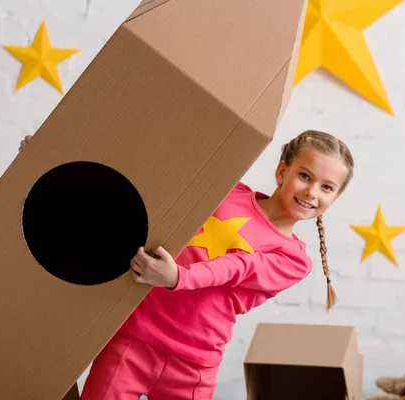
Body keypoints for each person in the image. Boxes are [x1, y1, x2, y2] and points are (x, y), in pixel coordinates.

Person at [19, 129, 355, 399]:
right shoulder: (231, 191)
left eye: (326, 187)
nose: (312, 192)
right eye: (305, 176)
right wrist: (53, 160)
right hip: (133, 338)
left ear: (334, 198)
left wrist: (176, 277)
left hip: (194, 364)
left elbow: (239, 267)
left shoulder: (294, 259)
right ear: (283, 170)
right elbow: (146, 184)